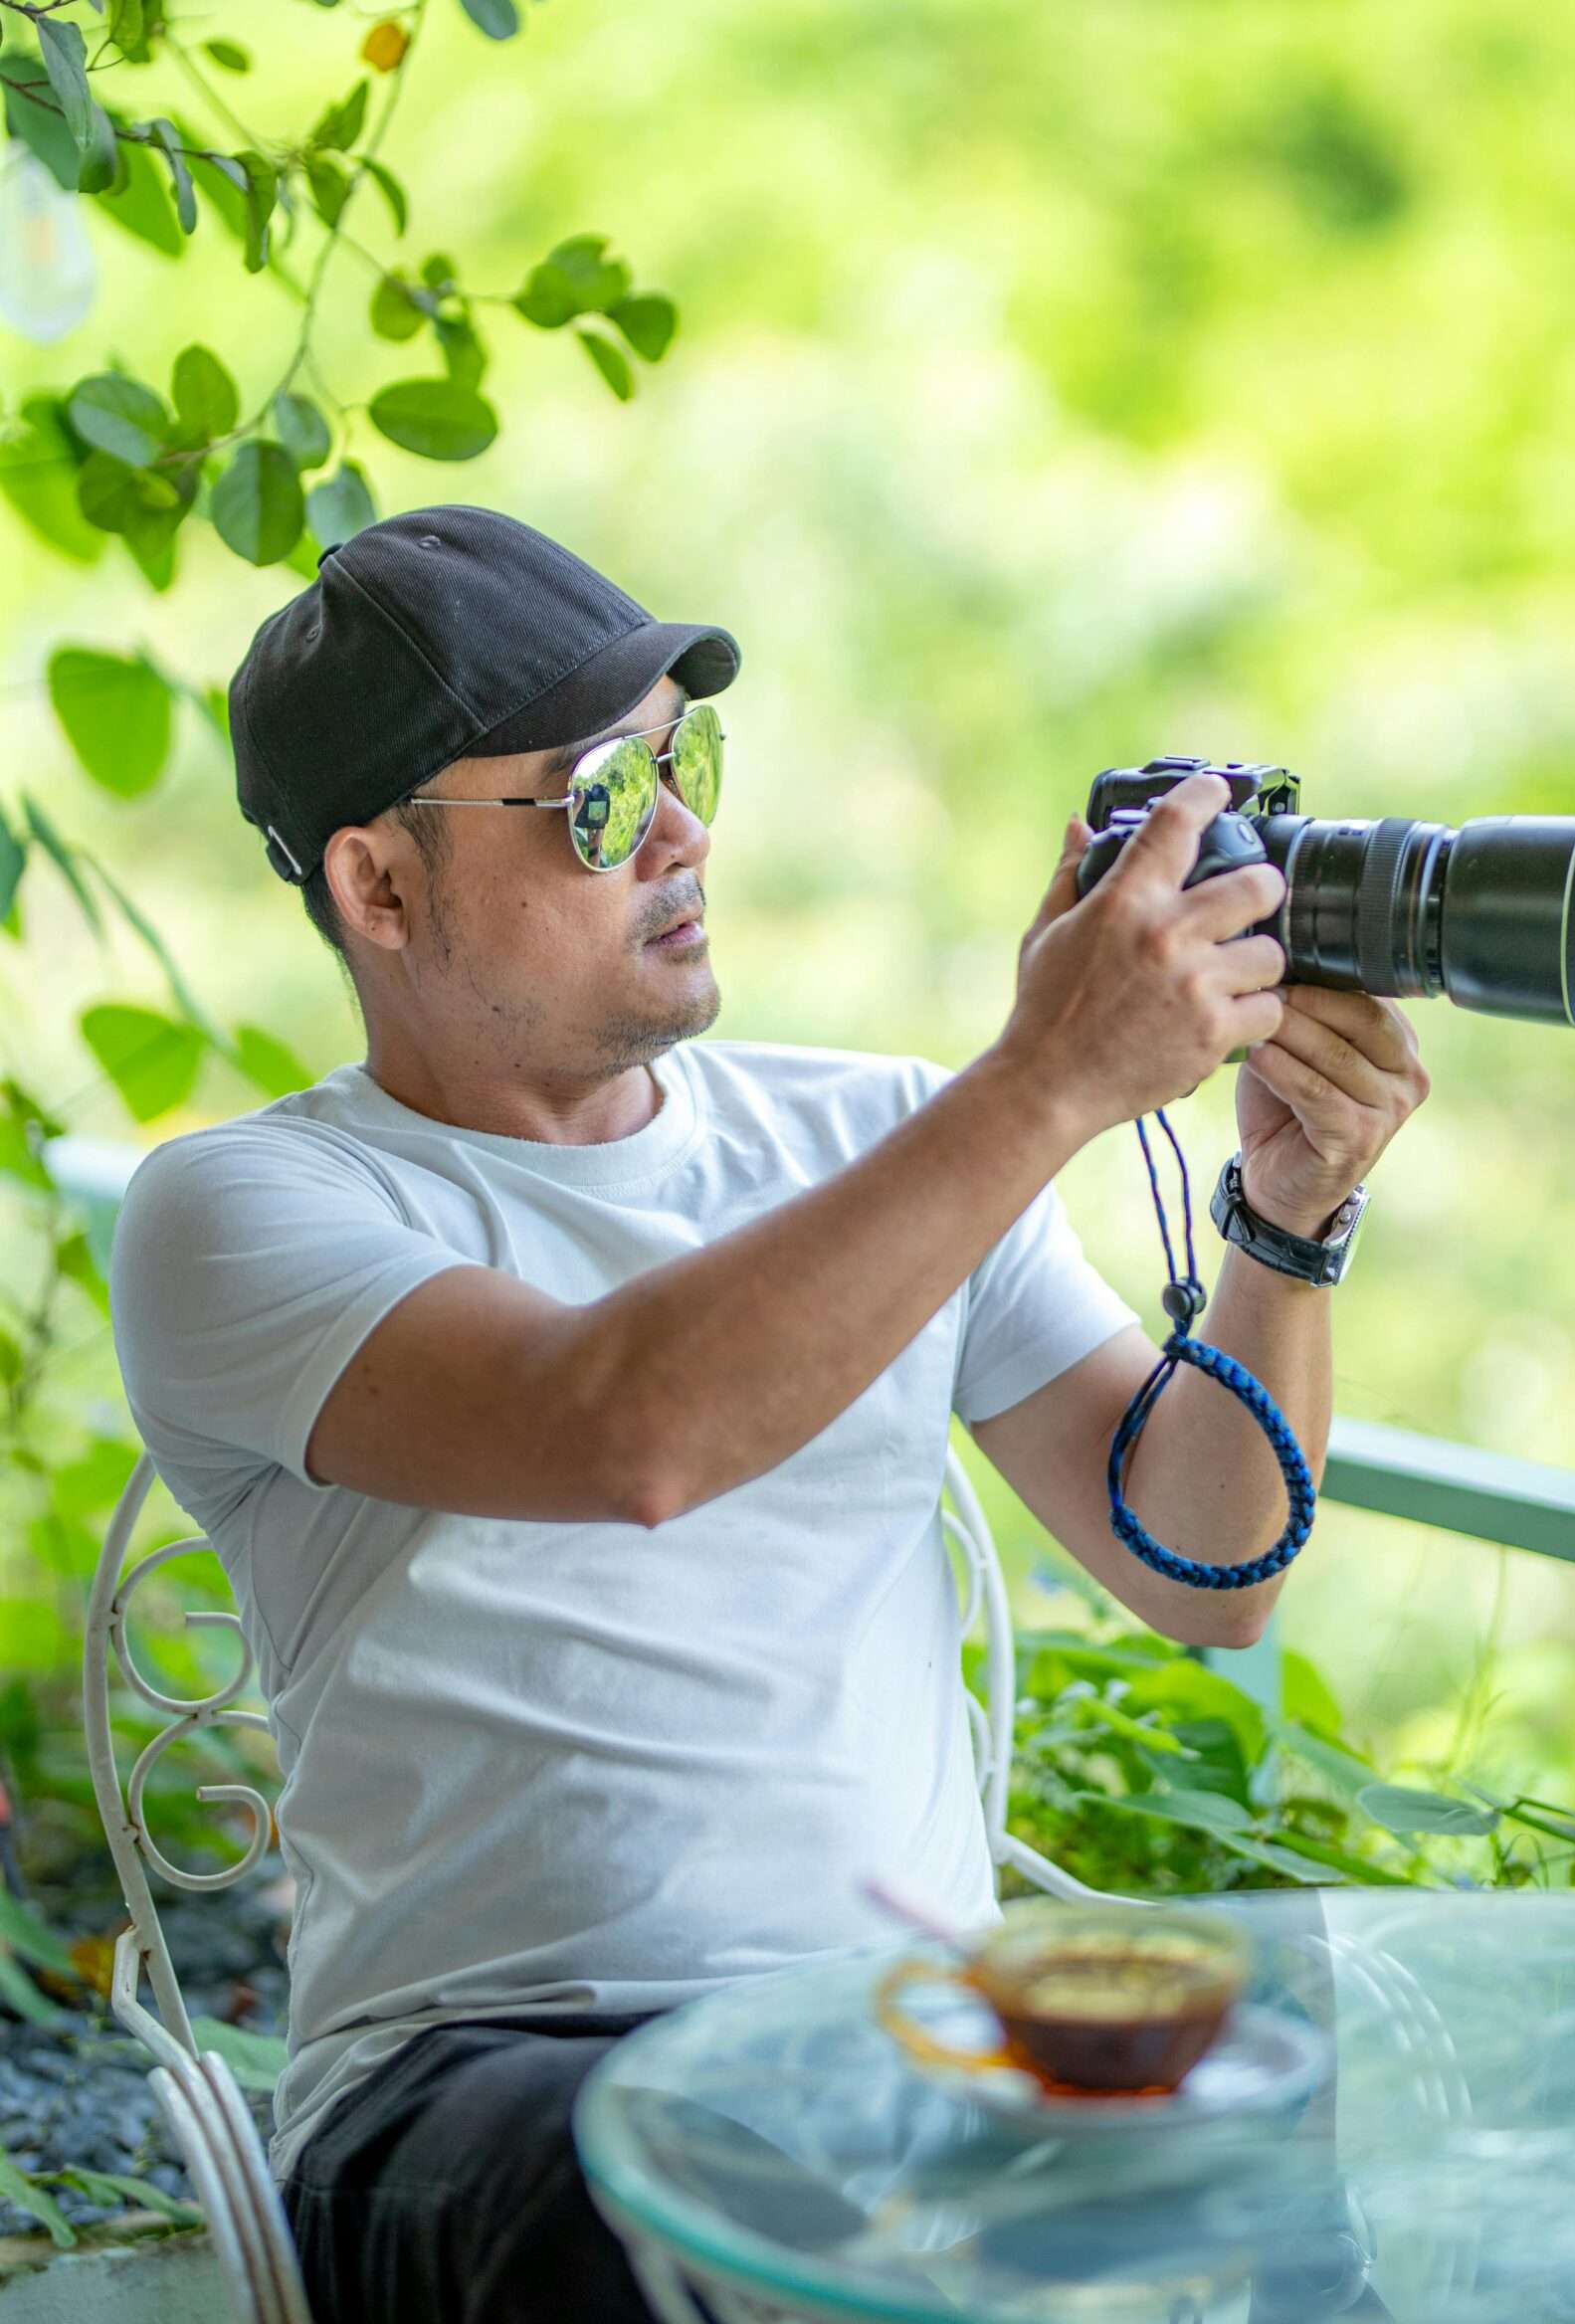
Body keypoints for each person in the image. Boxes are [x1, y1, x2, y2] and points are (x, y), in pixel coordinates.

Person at [105, 504, 1429, 2323]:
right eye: (592, 802)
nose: (680, 834)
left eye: (681, 762)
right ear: (379, 889)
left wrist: (1286, 1218)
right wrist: (1043, 1083)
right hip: (487, 2082)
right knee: (699, 2205)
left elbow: (1205, 1559)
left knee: (1271, 2124)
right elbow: (623, 1432)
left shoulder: (884, 1137)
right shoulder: (246, 1213)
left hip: (905, 2037)